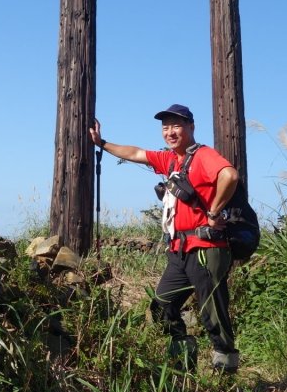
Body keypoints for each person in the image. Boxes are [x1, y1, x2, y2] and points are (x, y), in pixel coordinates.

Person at [89, 103, 241, 373]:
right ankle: (184, 362)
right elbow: (136, 152)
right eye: (166, 127)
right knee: (162, 307)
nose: (170, 132)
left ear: (191, 127)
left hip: (206, 248)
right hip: (179, 251)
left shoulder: (203, 156)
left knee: (213, 315)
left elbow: (229, 175)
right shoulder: (171, 159)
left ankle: (224, 377)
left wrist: (215, 211)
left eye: (177, 125)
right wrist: (101, 142)